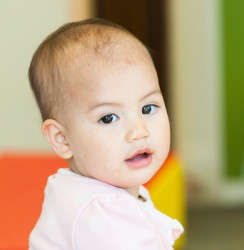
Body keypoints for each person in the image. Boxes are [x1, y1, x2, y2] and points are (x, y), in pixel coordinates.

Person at [28, 18, 183, 250]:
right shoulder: (103, 212)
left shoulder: (81, 191)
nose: (139, 131)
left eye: (147, 109)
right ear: (62, 138)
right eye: (108, 118)